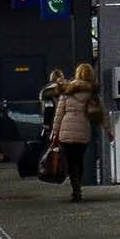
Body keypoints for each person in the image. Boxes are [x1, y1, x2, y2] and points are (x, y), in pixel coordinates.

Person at [49, 63, 101, 201]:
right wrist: (109, 130)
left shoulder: (67, 91)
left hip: (66, 131)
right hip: (83, 129)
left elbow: (59, 114)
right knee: (79, 160)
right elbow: (101, 113)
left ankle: (75, 188)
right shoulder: (92, 92)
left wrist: (54, 132)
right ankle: (78, 185)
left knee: (70, 161)